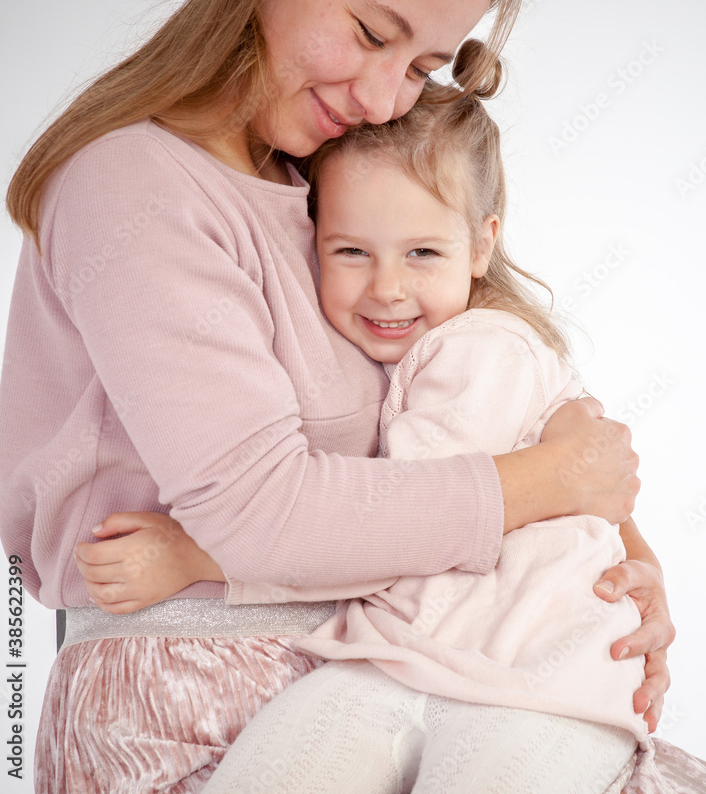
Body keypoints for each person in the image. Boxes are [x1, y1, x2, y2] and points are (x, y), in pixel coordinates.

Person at [0, 0, 676, 793]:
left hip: (406, 671)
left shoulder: (325, 184)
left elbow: (464, 414)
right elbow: (266, 514)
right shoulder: (134, 187)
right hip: (195, 703)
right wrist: (550, 482)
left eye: (421, 66)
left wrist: (617, 560)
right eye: (367, 32)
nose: (381, 96)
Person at [103, 96, 649, 794]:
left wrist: (194, 556)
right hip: (399, 661)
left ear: (482, 245)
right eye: (351, 252)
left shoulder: (482, 349)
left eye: (422, 252)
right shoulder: (395, 358)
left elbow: (403, 533)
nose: (386, 288)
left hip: (537, 679)